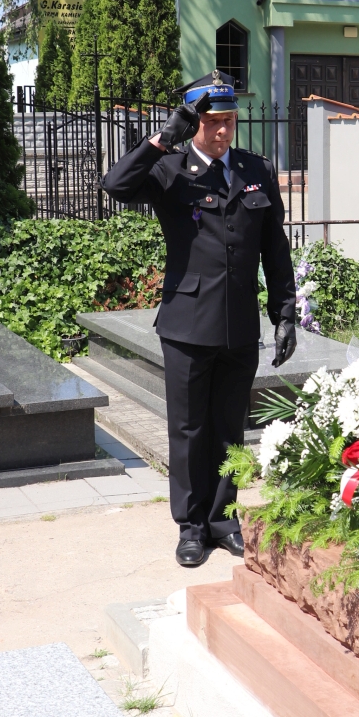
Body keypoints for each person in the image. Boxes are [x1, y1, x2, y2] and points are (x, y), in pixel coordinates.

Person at [101, 75, 296, 567]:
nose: (223, 132)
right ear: (194, 124)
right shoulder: (170, 170)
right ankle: (190, 527)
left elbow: (275, 248)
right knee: (189, 430)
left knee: (230, 428)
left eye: (229, 121)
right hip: (187, 325)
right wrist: (165, 136)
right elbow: (115, 185)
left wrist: (284, 314)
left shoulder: (256, 169)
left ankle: (223, 520)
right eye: (212, 123)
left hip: (238, 326)